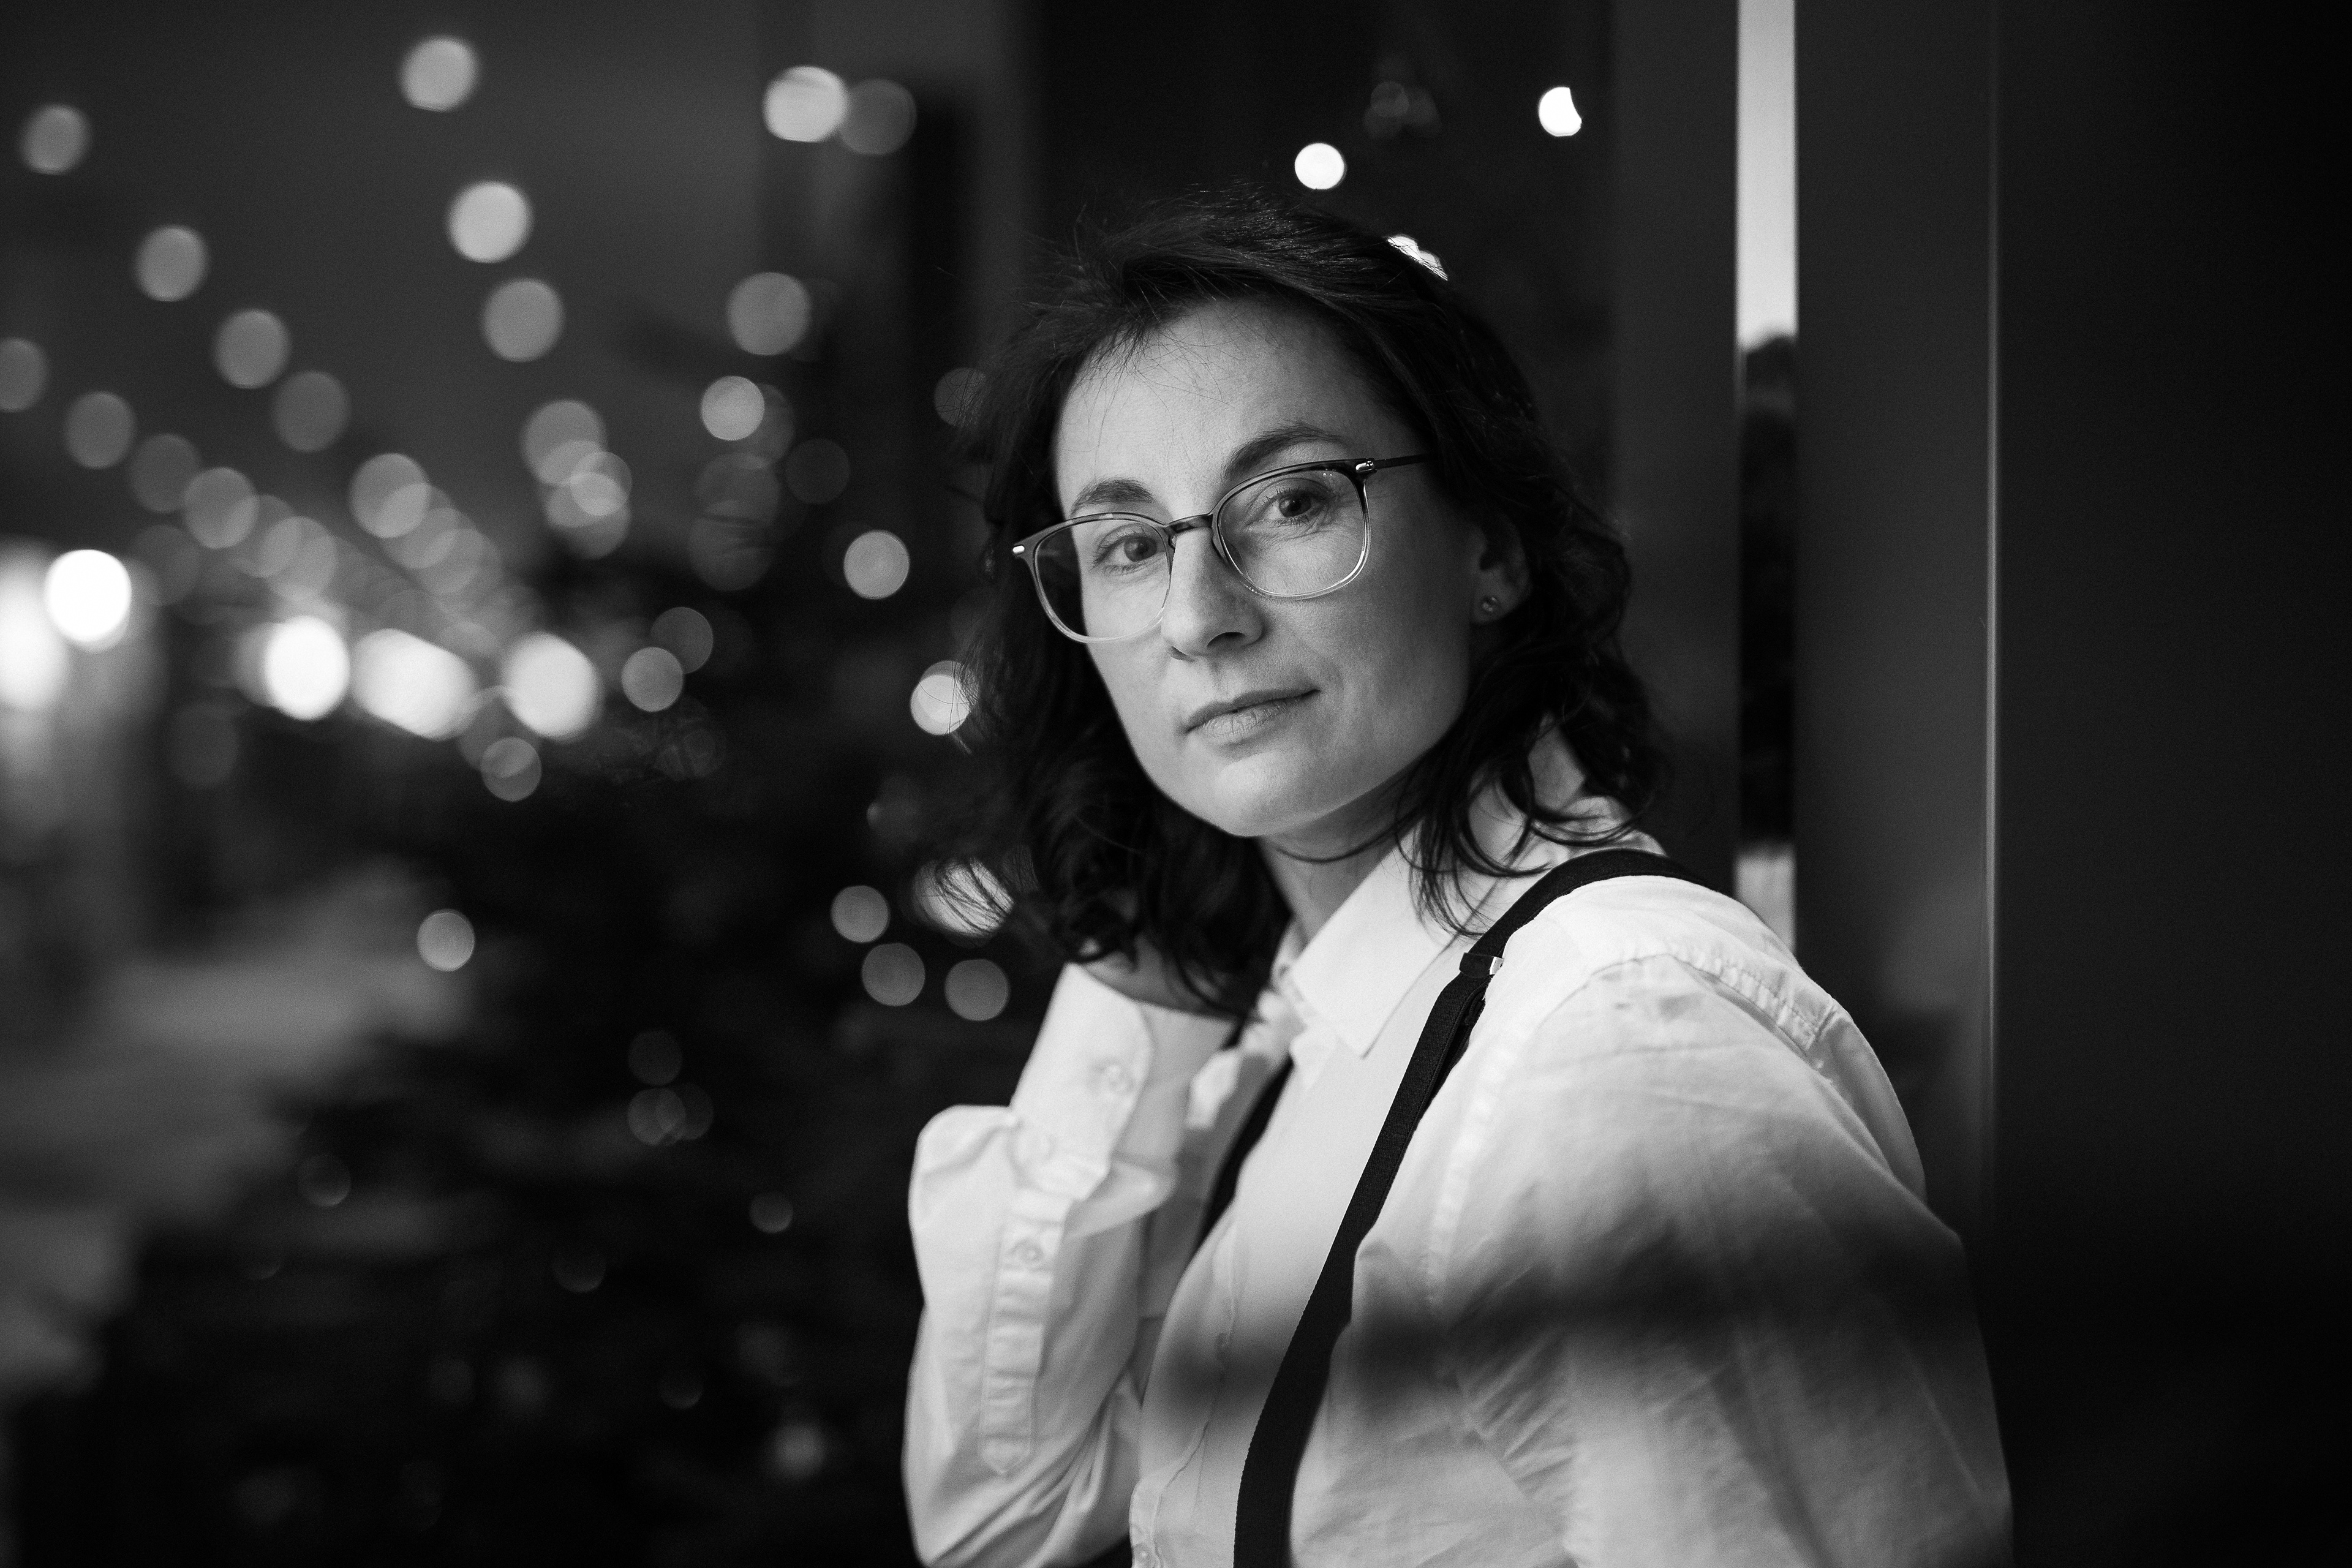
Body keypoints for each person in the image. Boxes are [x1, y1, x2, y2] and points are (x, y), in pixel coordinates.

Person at [902, 192, 2009, 1568]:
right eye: (1129, 545)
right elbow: (1005, 1516)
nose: (1196, 617)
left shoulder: (1614, 1044)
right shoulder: (1310, 1031)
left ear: (1490, 545)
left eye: (1294, 500)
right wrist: (1148, 955)